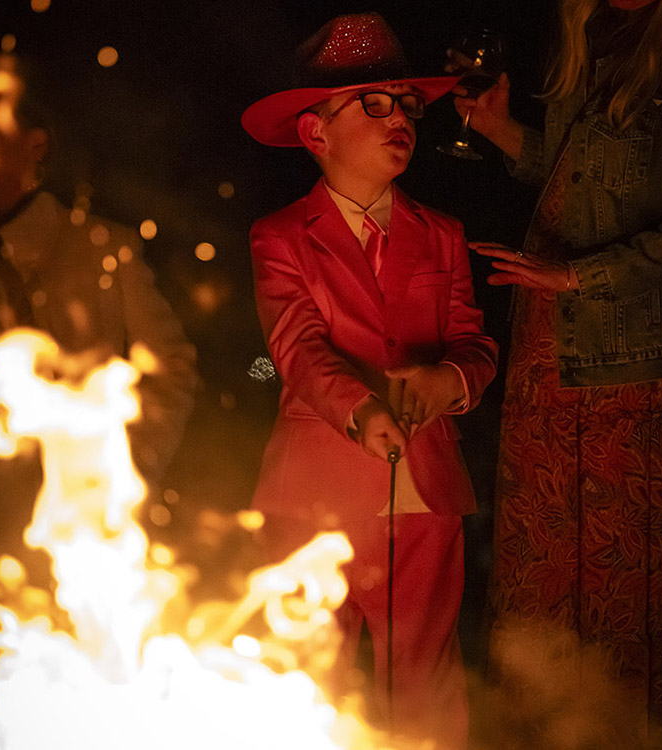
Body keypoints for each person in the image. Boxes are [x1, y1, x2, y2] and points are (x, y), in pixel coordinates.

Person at [241, 12, 498, 749]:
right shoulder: (281, 236)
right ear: (315, 133)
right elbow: (296, 342)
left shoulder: (441, 231)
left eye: (408, 106)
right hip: (312, 496)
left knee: (424, 682)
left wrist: (452, 379)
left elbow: (475, 342)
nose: (401, 120)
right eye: (374, 104)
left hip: (424, 492)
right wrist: (358, 408)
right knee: (304, 678)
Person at [453, 0, 662, 741]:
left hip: (633, 372)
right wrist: (502, 132)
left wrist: (576, 278)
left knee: (626, 590)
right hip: (550, 357)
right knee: (544, 583)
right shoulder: (588, 42)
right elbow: (579, 180)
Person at [0, 59, 198, 583]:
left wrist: (124, 464)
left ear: (37, 144)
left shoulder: (104, 251)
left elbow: (170, 368)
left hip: (96, 534)